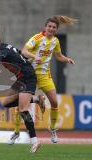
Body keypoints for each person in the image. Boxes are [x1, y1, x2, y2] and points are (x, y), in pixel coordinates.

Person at [9, 16, 76, 144]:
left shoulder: (55, 41)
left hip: (45, 76)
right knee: (22, 105)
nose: (51, 29)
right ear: (45, 27)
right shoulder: (37, 38)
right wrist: (35, 56)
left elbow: (58, 56)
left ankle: (53, 129)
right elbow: (24, 51)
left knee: (55, 102)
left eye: (54, 27)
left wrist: (67, 59)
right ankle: (16, 132)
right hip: (30, 75)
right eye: (49, 26)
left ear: (56, 30)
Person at [0, 27, 42, 153]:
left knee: (23, 109)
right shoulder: (6, 46)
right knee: (6, 103)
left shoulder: (1, 51)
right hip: (21, 77)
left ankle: (35, 141)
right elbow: (20, 53)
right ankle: (36, 99)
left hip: (27, 77)